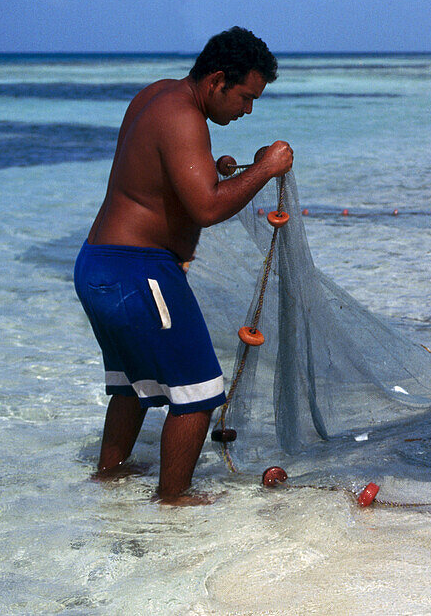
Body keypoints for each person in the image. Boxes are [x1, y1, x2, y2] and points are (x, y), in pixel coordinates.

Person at [74, 27, 293, 504]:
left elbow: (155, 182)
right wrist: (266, 168)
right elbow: (207, 209)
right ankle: (174, 500)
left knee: (133, 386)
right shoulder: (183, 116)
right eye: (245, 97)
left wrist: (220, 170)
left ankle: (108, 480)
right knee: (198, 391)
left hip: (98, 266)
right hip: (139, 271)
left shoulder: (155, 97)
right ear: (216, 80)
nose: (248, 109)